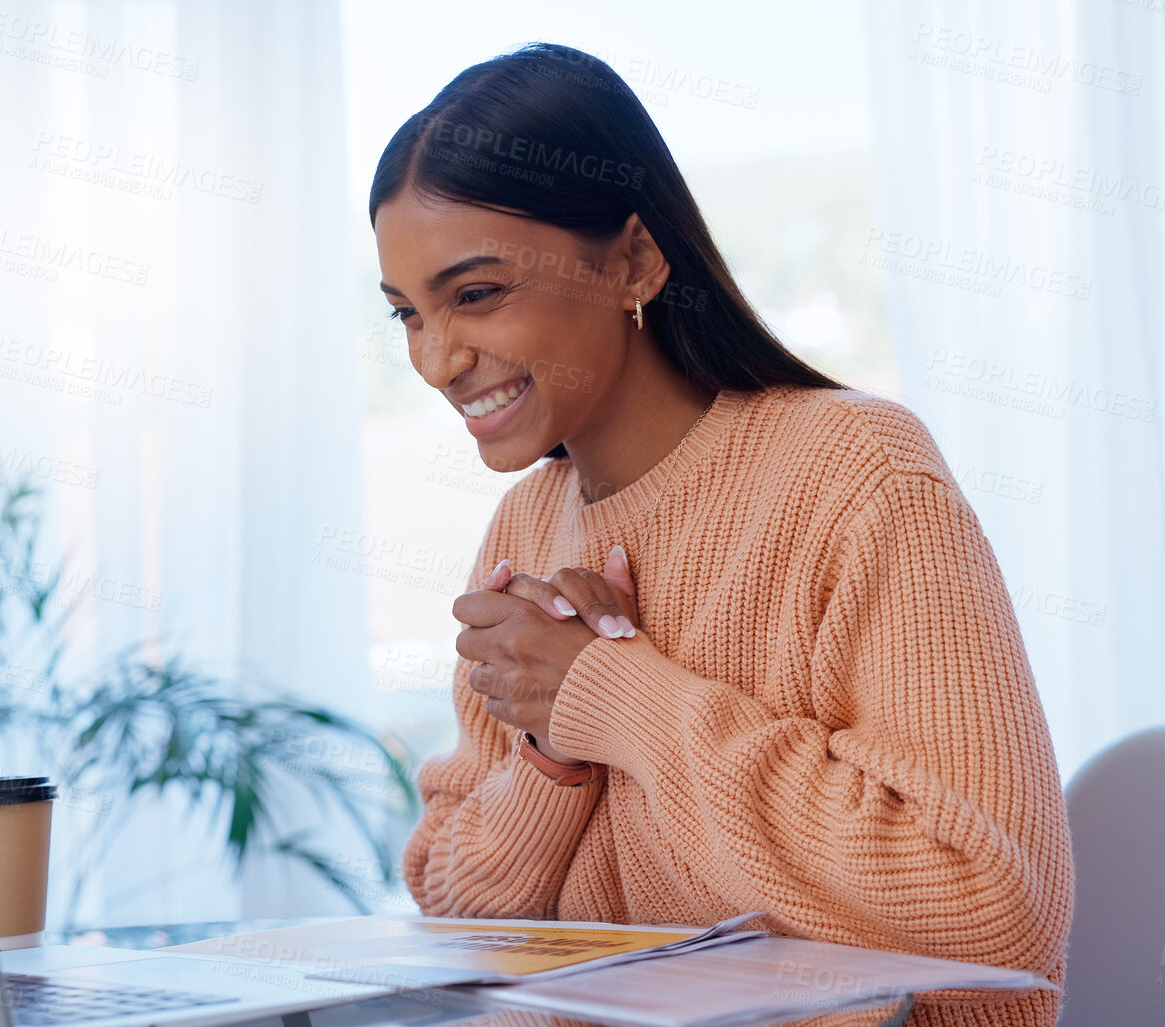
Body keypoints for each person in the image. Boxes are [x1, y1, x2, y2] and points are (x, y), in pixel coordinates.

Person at [368, 42, 1073, 1027]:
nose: (438, 358)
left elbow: (985, 911)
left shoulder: (857, 472)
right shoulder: (525, 527)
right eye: (408, 313)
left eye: (477, 294)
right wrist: (552, 759)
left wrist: (614, 693)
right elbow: (458, 913)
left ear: (633, 259)